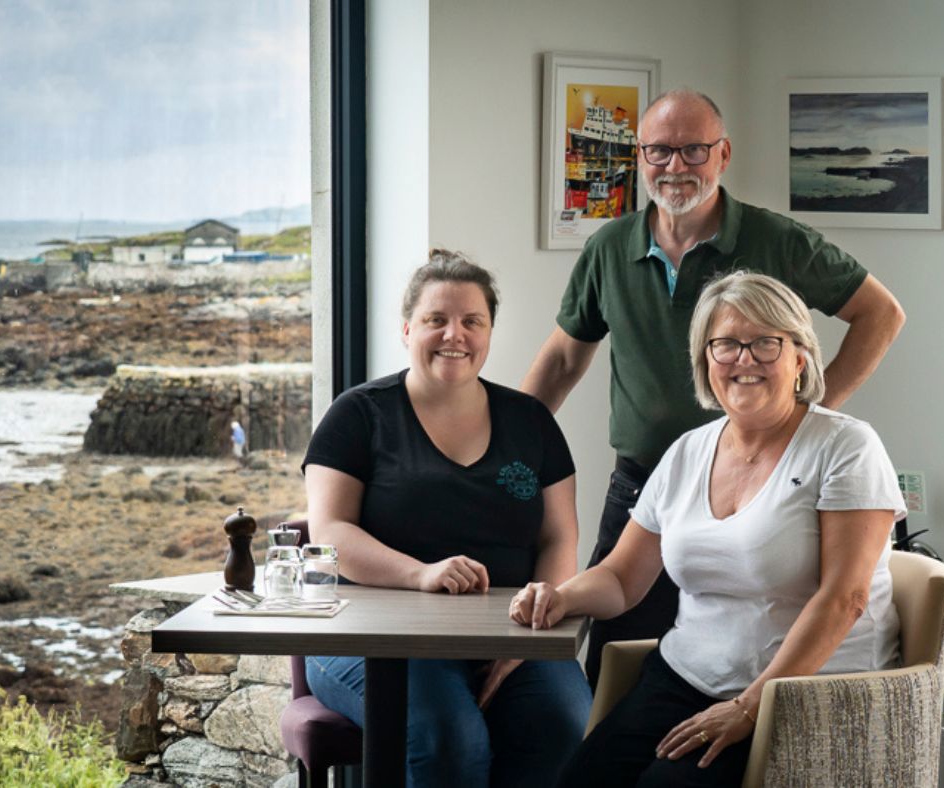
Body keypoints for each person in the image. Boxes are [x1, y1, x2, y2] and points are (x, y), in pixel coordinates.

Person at [521, 88, 906, 685]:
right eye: (660, 151)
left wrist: (809, 415)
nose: (675, 166)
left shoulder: (777, 240)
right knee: (609, 668)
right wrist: (510, 455)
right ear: (640, 158)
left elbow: (882, 313)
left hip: (763, 490)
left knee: (736, 650)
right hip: (648, 486)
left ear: (723, 155)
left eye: (693, 150)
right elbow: (563, 362)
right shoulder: (608, 247)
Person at [510, 272, 906, 787]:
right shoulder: (687, 451)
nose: (744, 359)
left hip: (802, 692)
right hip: (685, 677)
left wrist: (749, 706)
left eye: (765, 343)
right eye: (725, 344)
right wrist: (561, 598)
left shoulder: (846, 447)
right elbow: (622, 578)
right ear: (705, 360)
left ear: (799, 358)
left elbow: (845, 598)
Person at [301, 250, 591, 788]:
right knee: (448, 738)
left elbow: (558, 537)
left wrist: (527, 638)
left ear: (488, 332)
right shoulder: (357, 414)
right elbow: (330, 533)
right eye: (436, 319)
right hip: (378, 639)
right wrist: (421, 573)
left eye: (471, 321)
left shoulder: (531, 422)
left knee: (563, 725)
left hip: (510, 635)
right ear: (408, 328)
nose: (453, 334)